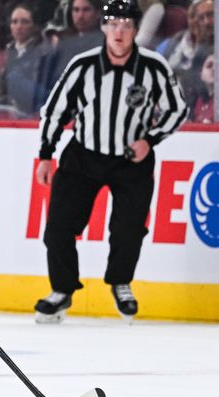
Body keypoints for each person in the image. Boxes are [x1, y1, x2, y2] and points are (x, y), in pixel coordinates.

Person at [34, 0, 188, 323]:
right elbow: (55, 110)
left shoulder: (154, 67)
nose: (119, 31)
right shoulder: (83, 66)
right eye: (113, 24)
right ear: (103, 28)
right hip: (83, 155)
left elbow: (177, 109)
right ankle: (61, 290)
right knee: (59, 226)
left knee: (129, 228)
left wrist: (150, 139)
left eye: (126, 25)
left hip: (132, 160)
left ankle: (121, 282)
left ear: (135, 29)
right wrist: (46, 154)